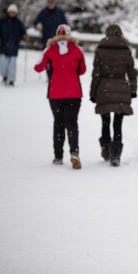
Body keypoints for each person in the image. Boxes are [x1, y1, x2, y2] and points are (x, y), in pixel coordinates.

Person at [34, 25, 86, 169]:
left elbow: (38, 67)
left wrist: (46, 54)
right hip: (74, 93)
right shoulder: (77, 50)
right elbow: (82, 70)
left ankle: (58, 156)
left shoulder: (50, 50)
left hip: (55, 93)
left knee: (58, 124)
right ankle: (74, 152)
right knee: (72, 124)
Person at [90, 24, 137, 167]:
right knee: (118, 123)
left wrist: (93, 92)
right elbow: (132, 73)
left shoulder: (100, 50)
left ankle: (106, 149)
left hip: (104, 88)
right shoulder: (126, 50)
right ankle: (116, 154)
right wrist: (133, 90)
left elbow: (96, 75)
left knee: (105, 121)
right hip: (121, 87)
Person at [33, 0, 68, 79]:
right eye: (49, 1)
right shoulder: (43, 12)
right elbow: (35, 22)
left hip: (58, 40)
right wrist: (38, 25)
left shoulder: (60, 12)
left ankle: (57, 75)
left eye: (52, 1)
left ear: (55, 2)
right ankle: (50, 76)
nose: (51, 3)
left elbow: (65, 24)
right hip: (46, 39)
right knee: (47, 58)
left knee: (58, 58)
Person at [0, 4, 28, 86]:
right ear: (8, 12)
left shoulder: (18, 22)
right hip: (3, 45)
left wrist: (25, 36)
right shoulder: (2, 21)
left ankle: (11, 79)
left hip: (14, 45)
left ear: (15, 13)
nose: (12, 14)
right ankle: (4, 76)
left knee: (12, 64)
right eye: (10, 12)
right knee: (3, 63)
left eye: (13, 12)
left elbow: (22, 32)